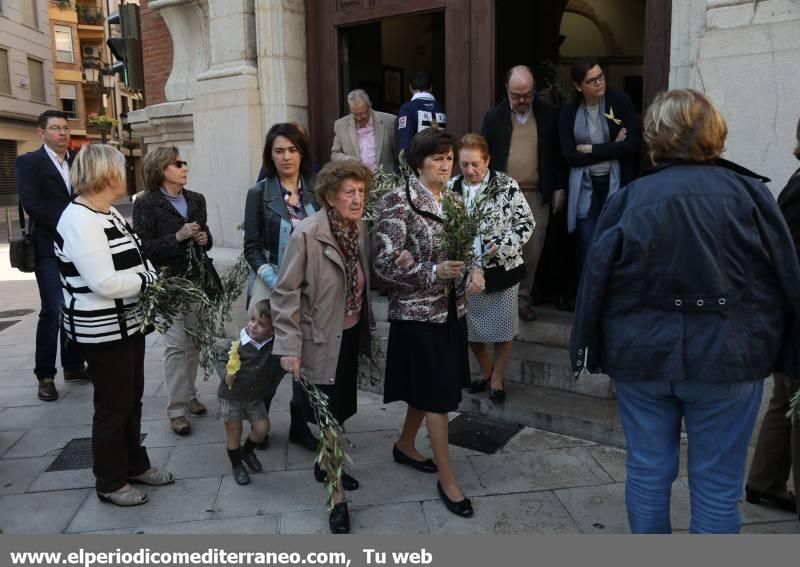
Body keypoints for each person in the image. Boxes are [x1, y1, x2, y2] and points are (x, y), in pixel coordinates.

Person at [570, 89, 800, 533]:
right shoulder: (750, 196)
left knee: (648, 473)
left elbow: (596, 283)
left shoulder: (631, 199)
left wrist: (591, 345)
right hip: (728, 359)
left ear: (655, 138)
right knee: (716, 487)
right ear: (713, 134)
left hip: (645, 357)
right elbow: (784, 281)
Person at [54, 144, 174, 507]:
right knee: (113, 405)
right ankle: (109, 481)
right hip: (102, 330)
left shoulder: (107, 213)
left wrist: (147, 275)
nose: (126, 174)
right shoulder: (79, 220)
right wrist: (150, 282)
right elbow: (103, 282)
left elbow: (138, 258)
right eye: (121, 168)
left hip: (127, 324)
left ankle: (134, 464)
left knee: (131, 399)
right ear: (106, 174)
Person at [375, 128, 484, 520]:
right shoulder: (398, 201)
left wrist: (473, 271)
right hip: (418, 314)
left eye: (449, 158)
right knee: (438, 397)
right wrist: (432, 270)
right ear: (419, 161)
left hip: (452, 311)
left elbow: (467, 248)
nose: (445, 164)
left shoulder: (454, 201)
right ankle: (448, 478)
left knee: (431, 388)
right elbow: (385, 264)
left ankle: (406, 444)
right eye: (438, 158)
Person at [272, 160, 376, 534]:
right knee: (330, 420)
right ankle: (336, 497)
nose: (357, 198)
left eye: (361, 191)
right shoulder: (308, 233)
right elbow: (285, 294)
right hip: (317, 339)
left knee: (342, 409)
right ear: (330, 197)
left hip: (347, 336)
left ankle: (325, 463)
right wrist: (289, 346)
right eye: (349, 191)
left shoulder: (358, 227)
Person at [243, 123, 319, 452]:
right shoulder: (259, 194)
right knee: (268, 360)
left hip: (311, 287)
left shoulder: (317, 189)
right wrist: (276, 282)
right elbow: (252, 246)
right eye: (279, 151)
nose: (286, 157)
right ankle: (258, 423)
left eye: (292, 150)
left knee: (306, 358)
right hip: (271, 282)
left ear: (302, 152)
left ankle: (300, 424)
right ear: (269, 156)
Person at [133, 147, 214, 436]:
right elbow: (143, 248)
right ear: (161, 169)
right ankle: (177, 410)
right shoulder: (146, 204)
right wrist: (177, 237)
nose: (184, 167)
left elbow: (206, 237)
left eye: (183, 162)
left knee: (193, 343)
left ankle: (190, 395)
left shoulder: (196, 199)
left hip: (195, 281)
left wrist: (205, 238)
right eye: (177, 163)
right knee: (175, 345)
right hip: (166, 284)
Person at [449, 134, 534, 403]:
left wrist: (501, 244)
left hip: (502, 268)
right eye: (464, 164)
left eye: (476, 164)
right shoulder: (451, 187)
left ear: (488, 160)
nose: (470, 170)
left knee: (503, 328)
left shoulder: (506, 185)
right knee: (470, 328)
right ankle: (487, 371)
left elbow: (525, 223)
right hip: (466, 271)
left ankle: (497, 378)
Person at [745, 116, 800, 519]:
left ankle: (764, 482)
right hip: (793, 316)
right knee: (793, 400)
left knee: (785, 400)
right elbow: (786, 257)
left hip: (788, 316)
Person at [15, 110, 88, 402]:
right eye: (56, 128)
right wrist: (72, 221)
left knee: (76, 306)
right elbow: (32, 204)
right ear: (41, 133)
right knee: (54, 309)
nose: (62, 133)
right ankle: (45, 375)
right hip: (47, 248)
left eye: (65, 128)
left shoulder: (77, 162)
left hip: (79, 249)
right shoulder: (29, 162)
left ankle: (72, 365)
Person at [481, 65, 563, 322]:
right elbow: (484, 155)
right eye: (516, 95)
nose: (522, 101)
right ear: (507, 90)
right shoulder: (494, 117)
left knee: (531, 249)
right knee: (503, 249)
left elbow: (558, 154)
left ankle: (522, 299)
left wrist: (559, 186)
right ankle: (503, 301)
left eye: (527, 95)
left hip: (536, 194)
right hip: (503, 194)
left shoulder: (549, 115)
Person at [559, 57, 640, 261]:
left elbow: (631, 146)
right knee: (588, 245)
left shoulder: (618, 103)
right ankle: (589, 291)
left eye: (601, 77)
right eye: (591, 80)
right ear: (578, 86)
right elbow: (569, 156)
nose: (599, 83)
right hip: (585, 187)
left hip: (616, 184)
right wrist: (613, 147)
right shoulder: (570, 112)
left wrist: (590, 148)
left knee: (613, 243)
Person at [215, 299, 283, 486]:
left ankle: (246, 451)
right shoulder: (237, 343)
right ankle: (237, 465)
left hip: (254, 398)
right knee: (233, 434)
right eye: (252, 319)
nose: (253, 325)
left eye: (261, 324)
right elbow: (221, 360)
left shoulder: (272, 346)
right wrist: (225, 374)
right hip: (231, 397)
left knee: (262, 428)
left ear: (272, 330)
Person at [331, 89, 397, 173]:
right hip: (355, 179)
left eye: (362, 114)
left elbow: (398, 154)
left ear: (369, 106)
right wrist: (348, 160)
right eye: (354, 114)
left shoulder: (389, 121)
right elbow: (335, 154)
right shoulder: (340, 125)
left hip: (385, 181)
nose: (358, 118)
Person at [395, 70, 447, 157]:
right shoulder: (443, 108)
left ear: (410, 88)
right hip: (442, 159)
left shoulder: (407, 108)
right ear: (431, 87)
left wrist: (405, 167)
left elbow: (404, 141)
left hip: (419, 164)